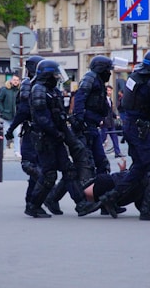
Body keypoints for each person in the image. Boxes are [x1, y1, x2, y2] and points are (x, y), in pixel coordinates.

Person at [93, 50, 150, 221]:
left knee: (138, 168)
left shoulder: (134, 77)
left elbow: (126, 104)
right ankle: (147, 210)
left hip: (131, 125)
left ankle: (111, 197)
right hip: (142, 128)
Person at [26, 60, 98, 218]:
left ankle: (81, 204)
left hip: (55, 137)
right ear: (47, 75)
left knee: (69, 171)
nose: (56, 77)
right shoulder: (39, 90)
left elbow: (58, 113)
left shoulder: (51, 90)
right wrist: (56, 132)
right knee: (49, 174)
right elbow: (42, 118)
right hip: (45, 138)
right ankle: (33, 205)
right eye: (54, 74)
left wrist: (66, 126)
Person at [5, 55, 45, 214]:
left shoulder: (38, 85)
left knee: (38, 168)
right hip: (31, 132)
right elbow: (23, 112)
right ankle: (33, 202)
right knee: (33, 167)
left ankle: (33, 201)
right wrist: (10, 129)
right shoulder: (29, 86)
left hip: (39, 132)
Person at [71, 55, 114, 174]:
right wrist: (80, 119)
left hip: (93, 126)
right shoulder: (90, 78)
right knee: (86, 165)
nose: (109, 73)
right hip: (86, 126)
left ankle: (99, 190)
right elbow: (80, 98)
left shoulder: (98, 81)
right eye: (107, 70)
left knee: (101, 163)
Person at [0, 75, 21, 157]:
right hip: (6, 116)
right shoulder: (5, 90)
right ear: (11, 81)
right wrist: (2, 111)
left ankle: (17, 151)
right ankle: (2, 150)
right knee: (4, 134)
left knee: (17, 134)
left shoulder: (19, 91)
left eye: (17, 80)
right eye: (14, 80)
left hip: (16, 117)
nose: (15, 81)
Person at [100, 85, 124, 158]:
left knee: (115, 137)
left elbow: (110, 111)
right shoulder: (102, 100)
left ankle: (117, 152)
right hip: (105, 122)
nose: (109, 92)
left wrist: (115, 116)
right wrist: (100, 119)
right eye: (108, 90)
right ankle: (98, 152)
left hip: (111, 121)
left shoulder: (109, 99)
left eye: (110, 90)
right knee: (102, 138)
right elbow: (101, 110)